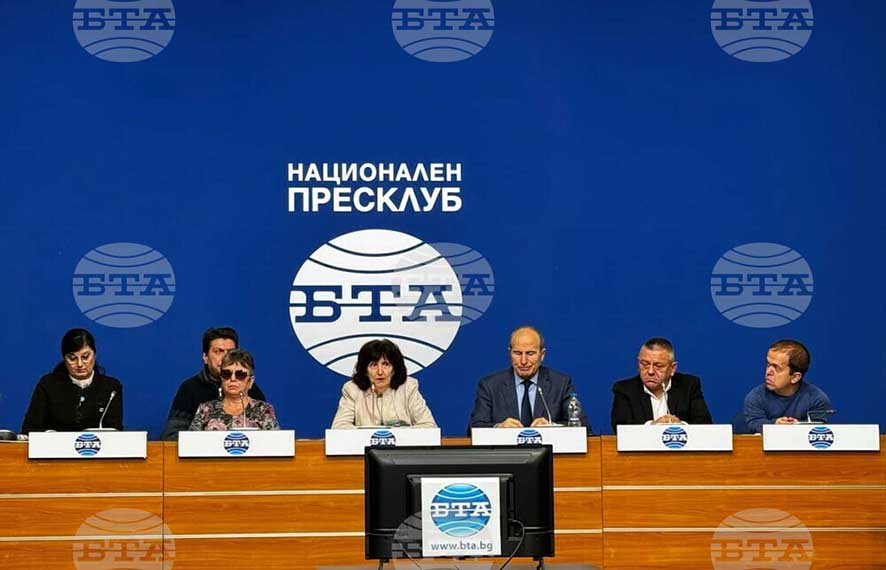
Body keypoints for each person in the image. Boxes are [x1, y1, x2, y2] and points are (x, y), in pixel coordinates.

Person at [469, 326, 589, 430]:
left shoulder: (560, 383)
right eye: (517, 353)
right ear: (510, 353)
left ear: (542, 355)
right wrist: (498, 427)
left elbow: (583, 426)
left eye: (530, 353)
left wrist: (552, 426)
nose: (523, 361)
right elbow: (474, 427)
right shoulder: (490, 386)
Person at [162, 327, 267, 440]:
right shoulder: (190, 389)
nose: (225, 358)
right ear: (205, 357)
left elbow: (271, 439)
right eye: (218, 351)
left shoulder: (250, 389)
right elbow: (171, 437)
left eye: (230, 353)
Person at [21, 328, 123, 433]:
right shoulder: (48, 384)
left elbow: (115, 432)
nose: (79, 364)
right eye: (72, 358)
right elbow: (29, 429)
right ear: (64, 358)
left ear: (95, 355)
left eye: (85, 357)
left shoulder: (111, 387)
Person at [610, 338, 712, 432]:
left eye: (658, 366)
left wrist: (680, 426)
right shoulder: (624, 389)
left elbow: (705, 424)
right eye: (645, 364)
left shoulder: (689, 385)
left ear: (672, 369)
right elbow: (621, 428)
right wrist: (653, 427)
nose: (650, 371)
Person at [331, 339, 437, 429]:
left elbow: (429, 426)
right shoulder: (352, 390)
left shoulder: (408, 387)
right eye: (374, 365)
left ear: (394, 369)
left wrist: (395, 435)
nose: (380, 372)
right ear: (365, 370)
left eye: (386, 364)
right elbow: (339, 428)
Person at [743, 339, 831, 433]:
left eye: (777, 368)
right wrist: (774, 425)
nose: (768, 372)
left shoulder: (817, 399)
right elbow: (754, 423)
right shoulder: (755, 397)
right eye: (768, 365)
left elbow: (818, 429)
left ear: (795, 377)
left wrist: (798, 426)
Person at [189, 349, 279, 430]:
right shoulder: (205, 409)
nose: (232, 379)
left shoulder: (263, 410)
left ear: (250, 381)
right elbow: (191, 441)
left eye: (240, 374)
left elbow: (275, 441)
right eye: (226, 374)